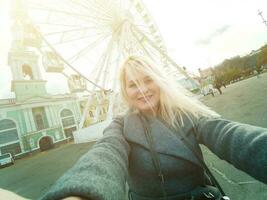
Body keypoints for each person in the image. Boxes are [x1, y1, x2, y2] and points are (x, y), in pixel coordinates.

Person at [1, 56, 267, 200]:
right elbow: (104, 156)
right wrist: (79, 193)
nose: (141, 89)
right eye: (132, 84)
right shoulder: (120, 126)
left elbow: (228, 136)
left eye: (147, 79)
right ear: (125, 91)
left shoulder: (187, 115)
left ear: (159, 81)